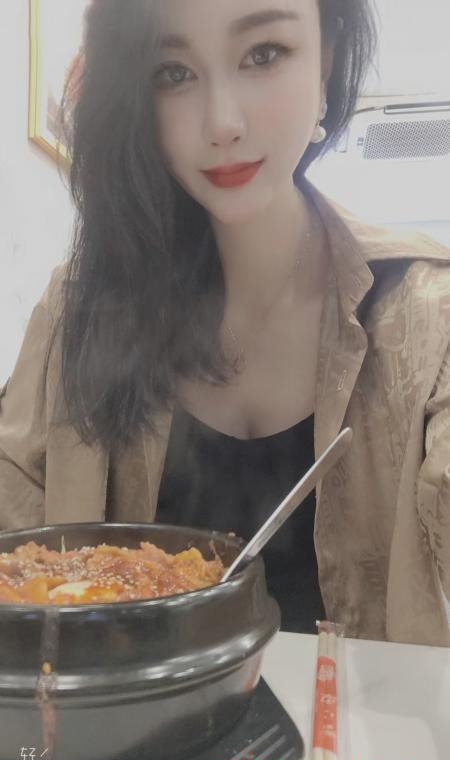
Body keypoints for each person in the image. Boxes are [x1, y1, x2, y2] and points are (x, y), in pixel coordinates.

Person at [1, 0, 449, 645]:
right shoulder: (78, 312)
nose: (223, 123)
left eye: (263, 54)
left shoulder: (428, 313)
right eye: (173, 73)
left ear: (326, 61)